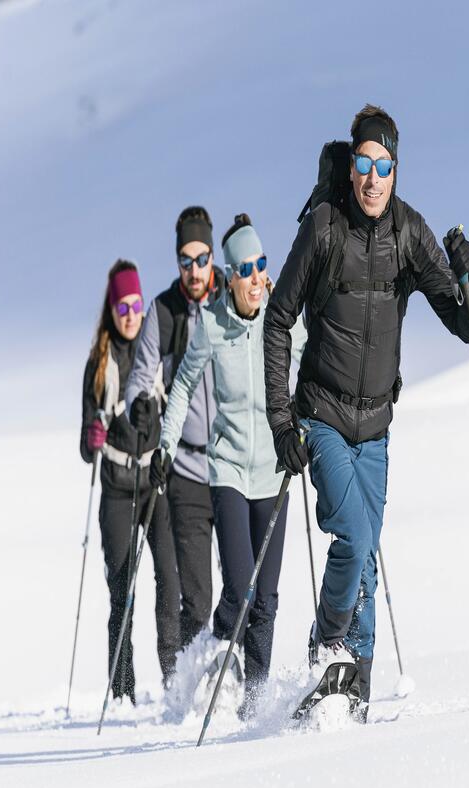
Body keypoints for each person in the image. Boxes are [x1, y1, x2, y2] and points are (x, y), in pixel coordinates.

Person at [263, 103, 469, 719]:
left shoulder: (409, 233)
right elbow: (278, 319)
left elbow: (466, 325)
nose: (371, 178)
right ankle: (327, 645)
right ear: (352, 163)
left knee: (369, 564)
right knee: (355, 540)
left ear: (396, 170)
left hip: (377, 425)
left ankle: (351, 697)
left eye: (383, 166)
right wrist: (282, 420)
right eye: (362, 163)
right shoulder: (324, 228)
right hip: (324, 416)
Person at [149, 214, 307, 717]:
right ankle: (216, 643)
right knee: (240, 588)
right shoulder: (210, 328)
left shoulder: (284, 319)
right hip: (229, 470)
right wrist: (165, 446)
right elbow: (179, 390)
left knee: (267, 597)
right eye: (247, 268)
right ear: (230, 276)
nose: (258, 277)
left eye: (263, 265)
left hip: (274, 469)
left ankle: (253, 706)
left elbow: (314, 365)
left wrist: (307, 426)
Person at [126, 207, 225, 683]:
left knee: (244, 587)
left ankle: (237, 683)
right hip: (185, 470)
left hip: (234, 464)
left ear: (212, 256)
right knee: (198, 597)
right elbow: (140, 377)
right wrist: (142, 405)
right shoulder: (163, 313)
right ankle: (183, 684)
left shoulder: (235, 298)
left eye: (201, 258)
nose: (193, 270)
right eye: (185, 260)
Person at [79, 259, 168, 703]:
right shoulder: (100, 364)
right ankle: (122, 693)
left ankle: (176, 684)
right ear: (111, 310)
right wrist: (91, 436)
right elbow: (84, 448)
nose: (131, 314)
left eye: (136, 304)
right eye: (122, 306)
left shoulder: (154, 350)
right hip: (115, 488)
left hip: (154, 482)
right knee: (123, 591)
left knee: (169, 584)